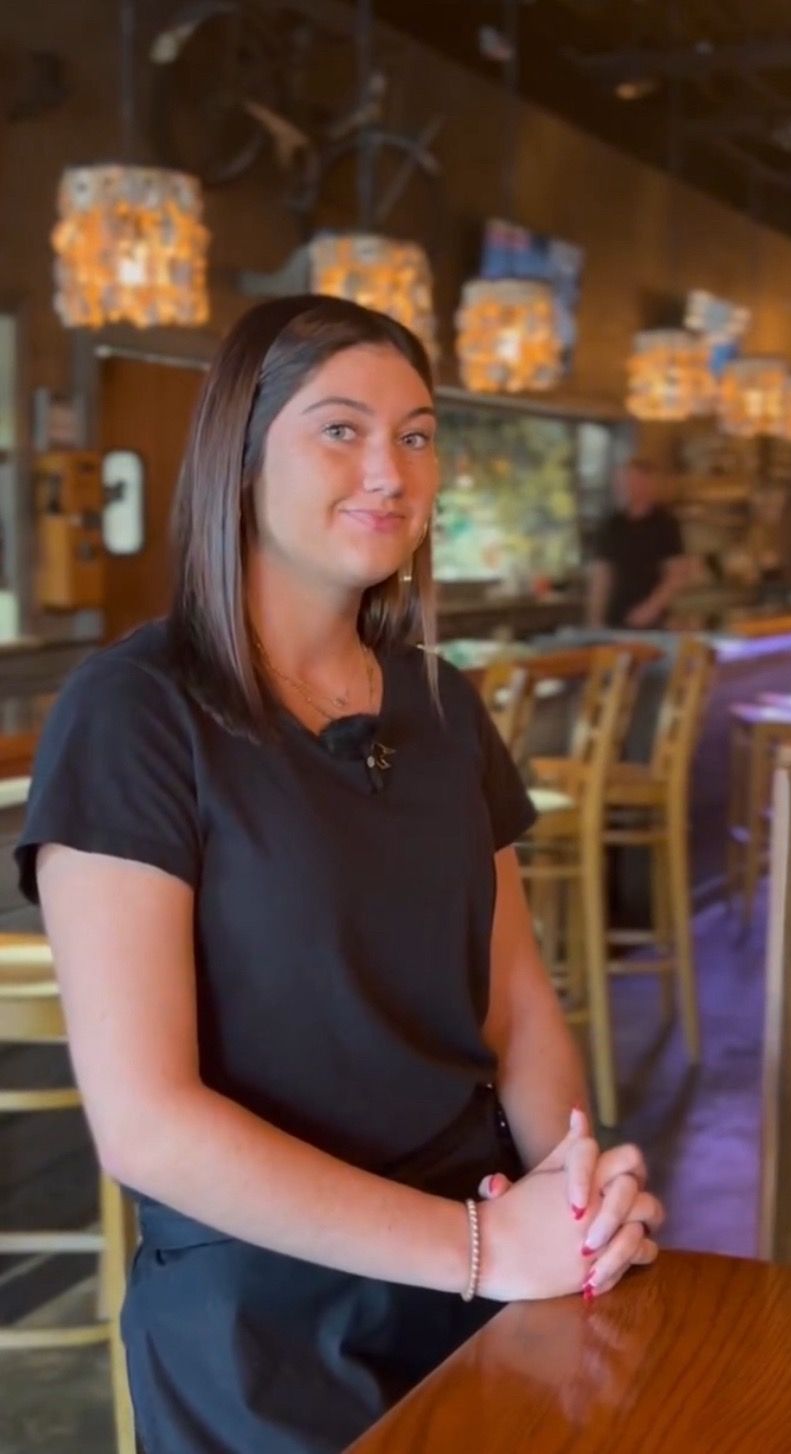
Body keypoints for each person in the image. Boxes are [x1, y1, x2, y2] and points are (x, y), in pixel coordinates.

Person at [16, 296, 662, 1454]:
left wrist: (570, 1199)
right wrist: (479, 1250)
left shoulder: (441, 701)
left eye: (417, 434)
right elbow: (147, 1127)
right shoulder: (137, 711)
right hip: (269, 1315)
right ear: (242, 451)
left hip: (485, 1267)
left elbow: (515, 1004)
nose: (390, 468)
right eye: (341, 428)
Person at [588, 457, 691, 629]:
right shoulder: (612, 525)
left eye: (632, 480)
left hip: (653, 619)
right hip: (614, 618)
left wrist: (650, 608)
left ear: (647, 483)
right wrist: (594, 620)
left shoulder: (665, 524)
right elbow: (602, 576)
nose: (626, 487)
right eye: (622, 482)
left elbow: (676, 574)